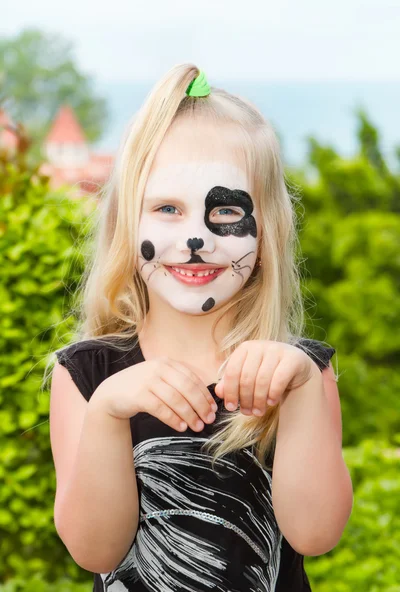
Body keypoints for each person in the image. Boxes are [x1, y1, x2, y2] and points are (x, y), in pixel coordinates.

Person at [49, 64, 353, 592]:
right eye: (167, 208)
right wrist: (107, 412)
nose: (196, 238)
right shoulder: (86, 377)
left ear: (267, 235)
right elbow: (94, 550)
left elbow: (316, 534)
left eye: (227, 209)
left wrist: (302, 390)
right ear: (126, 223)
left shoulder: (302, 373)